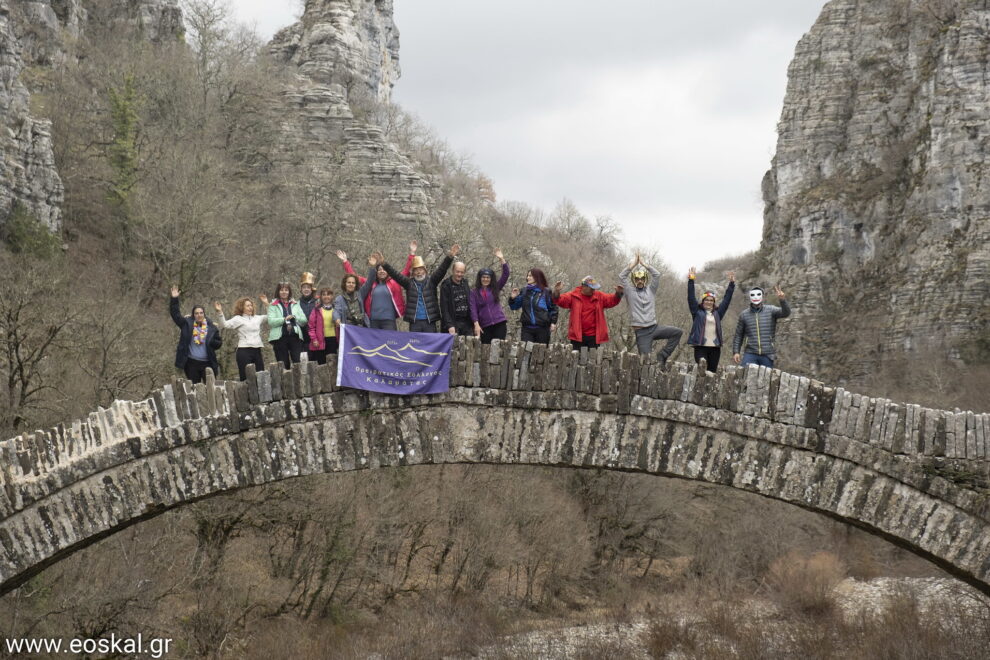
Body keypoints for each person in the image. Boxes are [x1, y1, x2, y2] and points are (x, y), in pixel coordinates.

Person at [618, 254, 682, 367]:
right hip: (641, 332)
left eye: (642, 278)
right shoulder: (629, 291)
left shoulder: (651, 290)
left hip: (654, 327)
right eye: (637, 279)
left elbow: (657, 275)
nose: (640, 281)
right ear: (634, 280)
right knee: (645, 362)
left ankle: (663, 355)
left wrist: (645, 265)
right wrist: (633, 265)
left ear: (645, 279)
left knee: (677, 332)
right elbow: (622, 276)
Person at [380, 245, 458, 333]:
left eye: (421, 269)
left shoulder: (431, 282)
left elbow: (442, 269)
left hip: (429, 322)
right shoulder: (409, 283)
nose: (419, 272)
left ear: (425, 270)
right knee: (415, 346)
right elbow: (396, 274)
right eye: (416, 270)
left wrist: (450, 256)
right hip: (415, 322)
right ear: (413, 272)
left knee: (430, 346)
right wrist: (384, 264)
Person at [553, 276, 623, 351]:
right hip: (577, 336)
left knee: (593, 360)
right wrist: (556, 291)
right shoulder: (573, 295)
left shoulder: (599, 296)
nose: (593, 290)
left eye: (594, 288)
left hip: (594, 337)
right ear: (584, 286)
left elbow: (612, 300)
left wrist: (618, 294)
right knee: (576, 358)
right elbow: (559, 300)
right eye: (591, 288)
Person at [169, 286, 222, 384]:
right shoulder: (187, 324)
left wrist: (211, 341)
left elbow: (218, 344)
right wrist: (174, 299)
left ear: (204, 314)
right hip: (192, 363)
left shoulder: (211, 327)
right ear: (193, 315)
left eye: (201, 313)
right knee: (195, 389)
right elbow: (175, 314)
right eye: (196, 313)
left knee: (210, 388)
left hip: (208, 363)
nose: (199, 315)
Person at [686, 267, 735, 372]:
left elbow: (726, 300)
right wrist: (691, 280)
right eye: (707, 300)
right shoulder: (696, 312)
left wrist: (731, 285)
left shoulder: (718, 313)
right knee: (702, 371)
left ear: (714, 302)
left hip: (715, 348)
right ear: (703, 301)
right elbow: (690, 297)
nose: (709, 302)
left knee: (712, 373)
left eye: (711, 300)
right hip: (700, 347)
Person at [732, 285, 791, 368]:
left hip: (767, 353)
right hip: (750, 353)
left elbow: (786, 313)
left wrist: (782, 300)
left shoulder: (771, 310)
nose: (755, 297)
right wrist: (736, 352)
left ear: (763, 297)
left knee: (766, 379)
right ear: (750, 297)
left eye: (758, 295)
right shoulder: (744, 315)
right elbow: (738, 335)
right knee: (745, 377)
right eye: (752, 295)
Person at [215, 295, 268, 381]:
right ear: (241, 307)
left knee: (261, 376)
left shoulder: (257, 318)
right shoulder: (238, 319)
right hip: (244, 351)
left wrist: (266, 304)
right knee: (246, 378)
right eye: (247, 306)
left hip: (257, 350)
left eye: (251, 305)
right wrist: (220, 312)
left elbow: (270, 317)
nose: (250, 307)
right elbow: (224, 325)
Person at [470, 248, 510, 344]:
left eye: (488, 277)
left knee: (499, 348)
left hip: (499, 323)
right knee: (486, 351)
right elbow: (473, 310)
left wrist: (502, 259)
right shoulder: (474, 292)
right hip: (485, 326)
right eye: (483, 277)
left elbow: (506, 274)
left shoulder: (495, 288)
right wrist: (476, 324)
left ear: (491, 279)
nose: (485, 279)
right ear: (480, 278)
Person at [508, 268, 557, 344]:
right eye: (527, 276)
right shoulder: (524, 291)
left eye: (530, 276)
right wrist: (513, 298)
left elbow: (553, 308)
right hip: (527, 329)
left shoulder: (546, 291)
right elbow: (514, 307)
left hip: (543, 328)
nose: (528, 278)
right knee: (526, 353)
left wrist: (553, 322)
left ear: (537, 277)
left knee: (540, 353)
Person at [359, 257, 406, 331]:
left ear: (388, 272)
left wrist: (411, 254)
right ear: (376, 272)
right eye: (379, 270)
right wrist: (346, 262)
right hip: (373, 321)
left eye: (384, 269)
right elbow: (354, 278)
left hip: (389, 321)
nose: (382, 271)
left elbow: (406, 272)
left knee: (389, 342)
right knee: (374, 342)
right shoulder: (371, 284)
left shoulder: (394, 282)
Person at [267, 282, 306, 368]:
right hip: (279, 338)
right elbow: (271, 321)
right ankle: (285, 381)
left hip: (295, 337)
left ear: (289, 292)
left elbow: (304, 320)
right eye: (281, 290)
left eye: (286, 290)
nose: (284, 292)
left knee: (298, 363)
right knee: (283, 365)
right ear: (278, 291)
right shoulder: (273, 305)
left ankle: (299, 381)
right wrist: (284, 319)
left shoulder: (296, 304)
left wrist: (294, 317)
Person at [440, 260, 473, 336]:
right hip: (453, 323)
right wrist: (449, 325)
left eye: (462, 272)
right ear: (453, 271)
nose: (459, 274)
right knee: (454, 347)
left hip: (466, 323)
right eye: (457, 272)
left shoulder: (465, 283)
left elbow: (470, 303)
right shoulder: (446, 285)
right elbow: (444, 308)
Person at [307, 287, 338, 364]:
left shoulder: (337, 309)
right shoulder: (316, 309)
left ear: (332, 296)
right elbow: (311, 327)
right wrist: (314, 339)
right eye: (324, 295)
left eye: (328, 295)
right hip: (320, 341)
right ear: (321, 296)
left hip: (333, 340)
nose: (326, 297)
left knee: (333, 363)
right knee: (321, 364)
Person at [297, 272, 319, 339]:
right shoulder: (297, 304)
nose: (306, 289)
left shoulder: (318, 302)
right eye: (304, 287)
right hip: (302, 335)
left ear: (311, 289)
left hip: (316, 334)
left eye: (308, 287)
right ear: (301, 289)